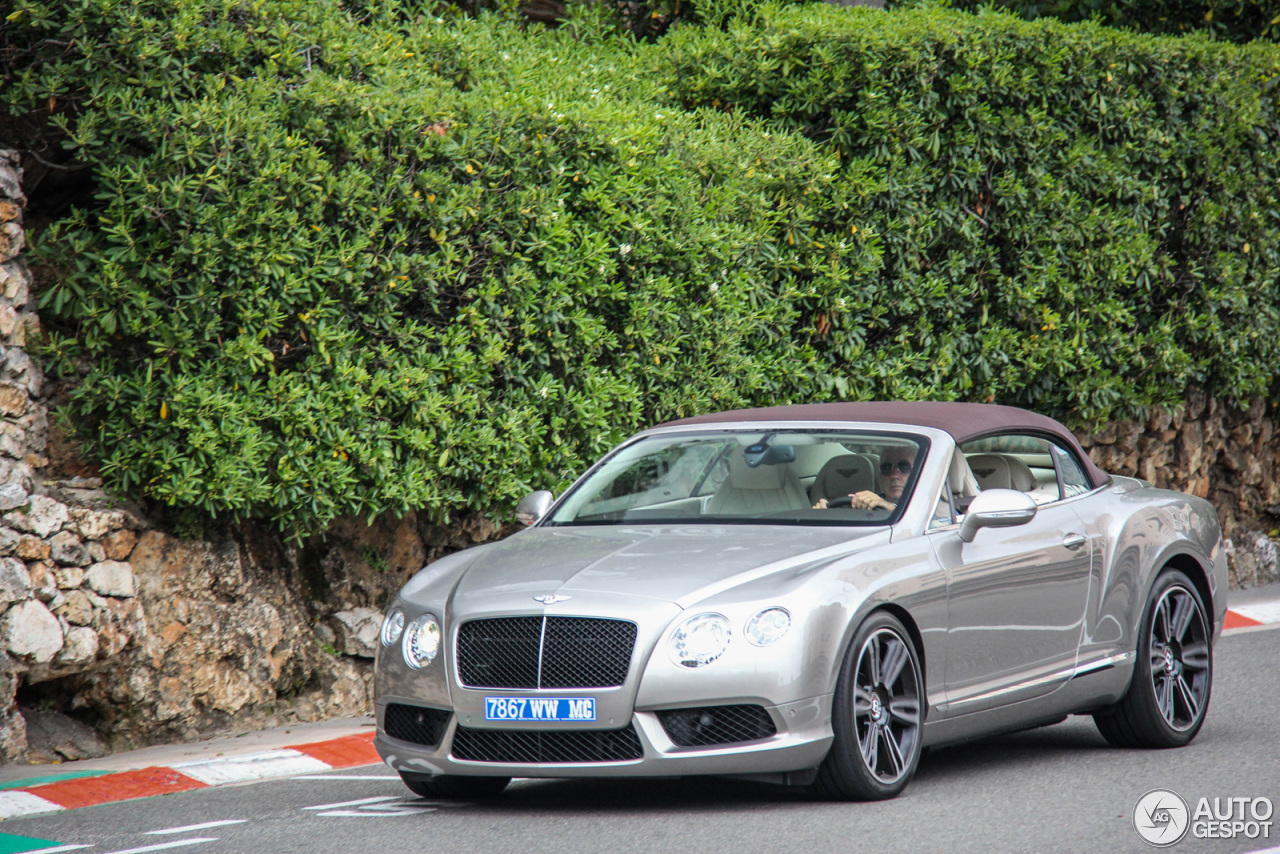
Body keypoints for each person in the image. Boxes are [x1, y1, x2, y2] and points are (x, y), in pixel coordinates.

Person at [813, 445, 916, 511]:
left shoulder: (929, 506)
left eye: (904, 467)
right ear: (880, 476)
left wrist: (889, 508)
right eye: (886, 468)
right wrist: (822, 516)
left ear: (918, 471)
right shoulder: (860, 507)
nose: (894, 475)